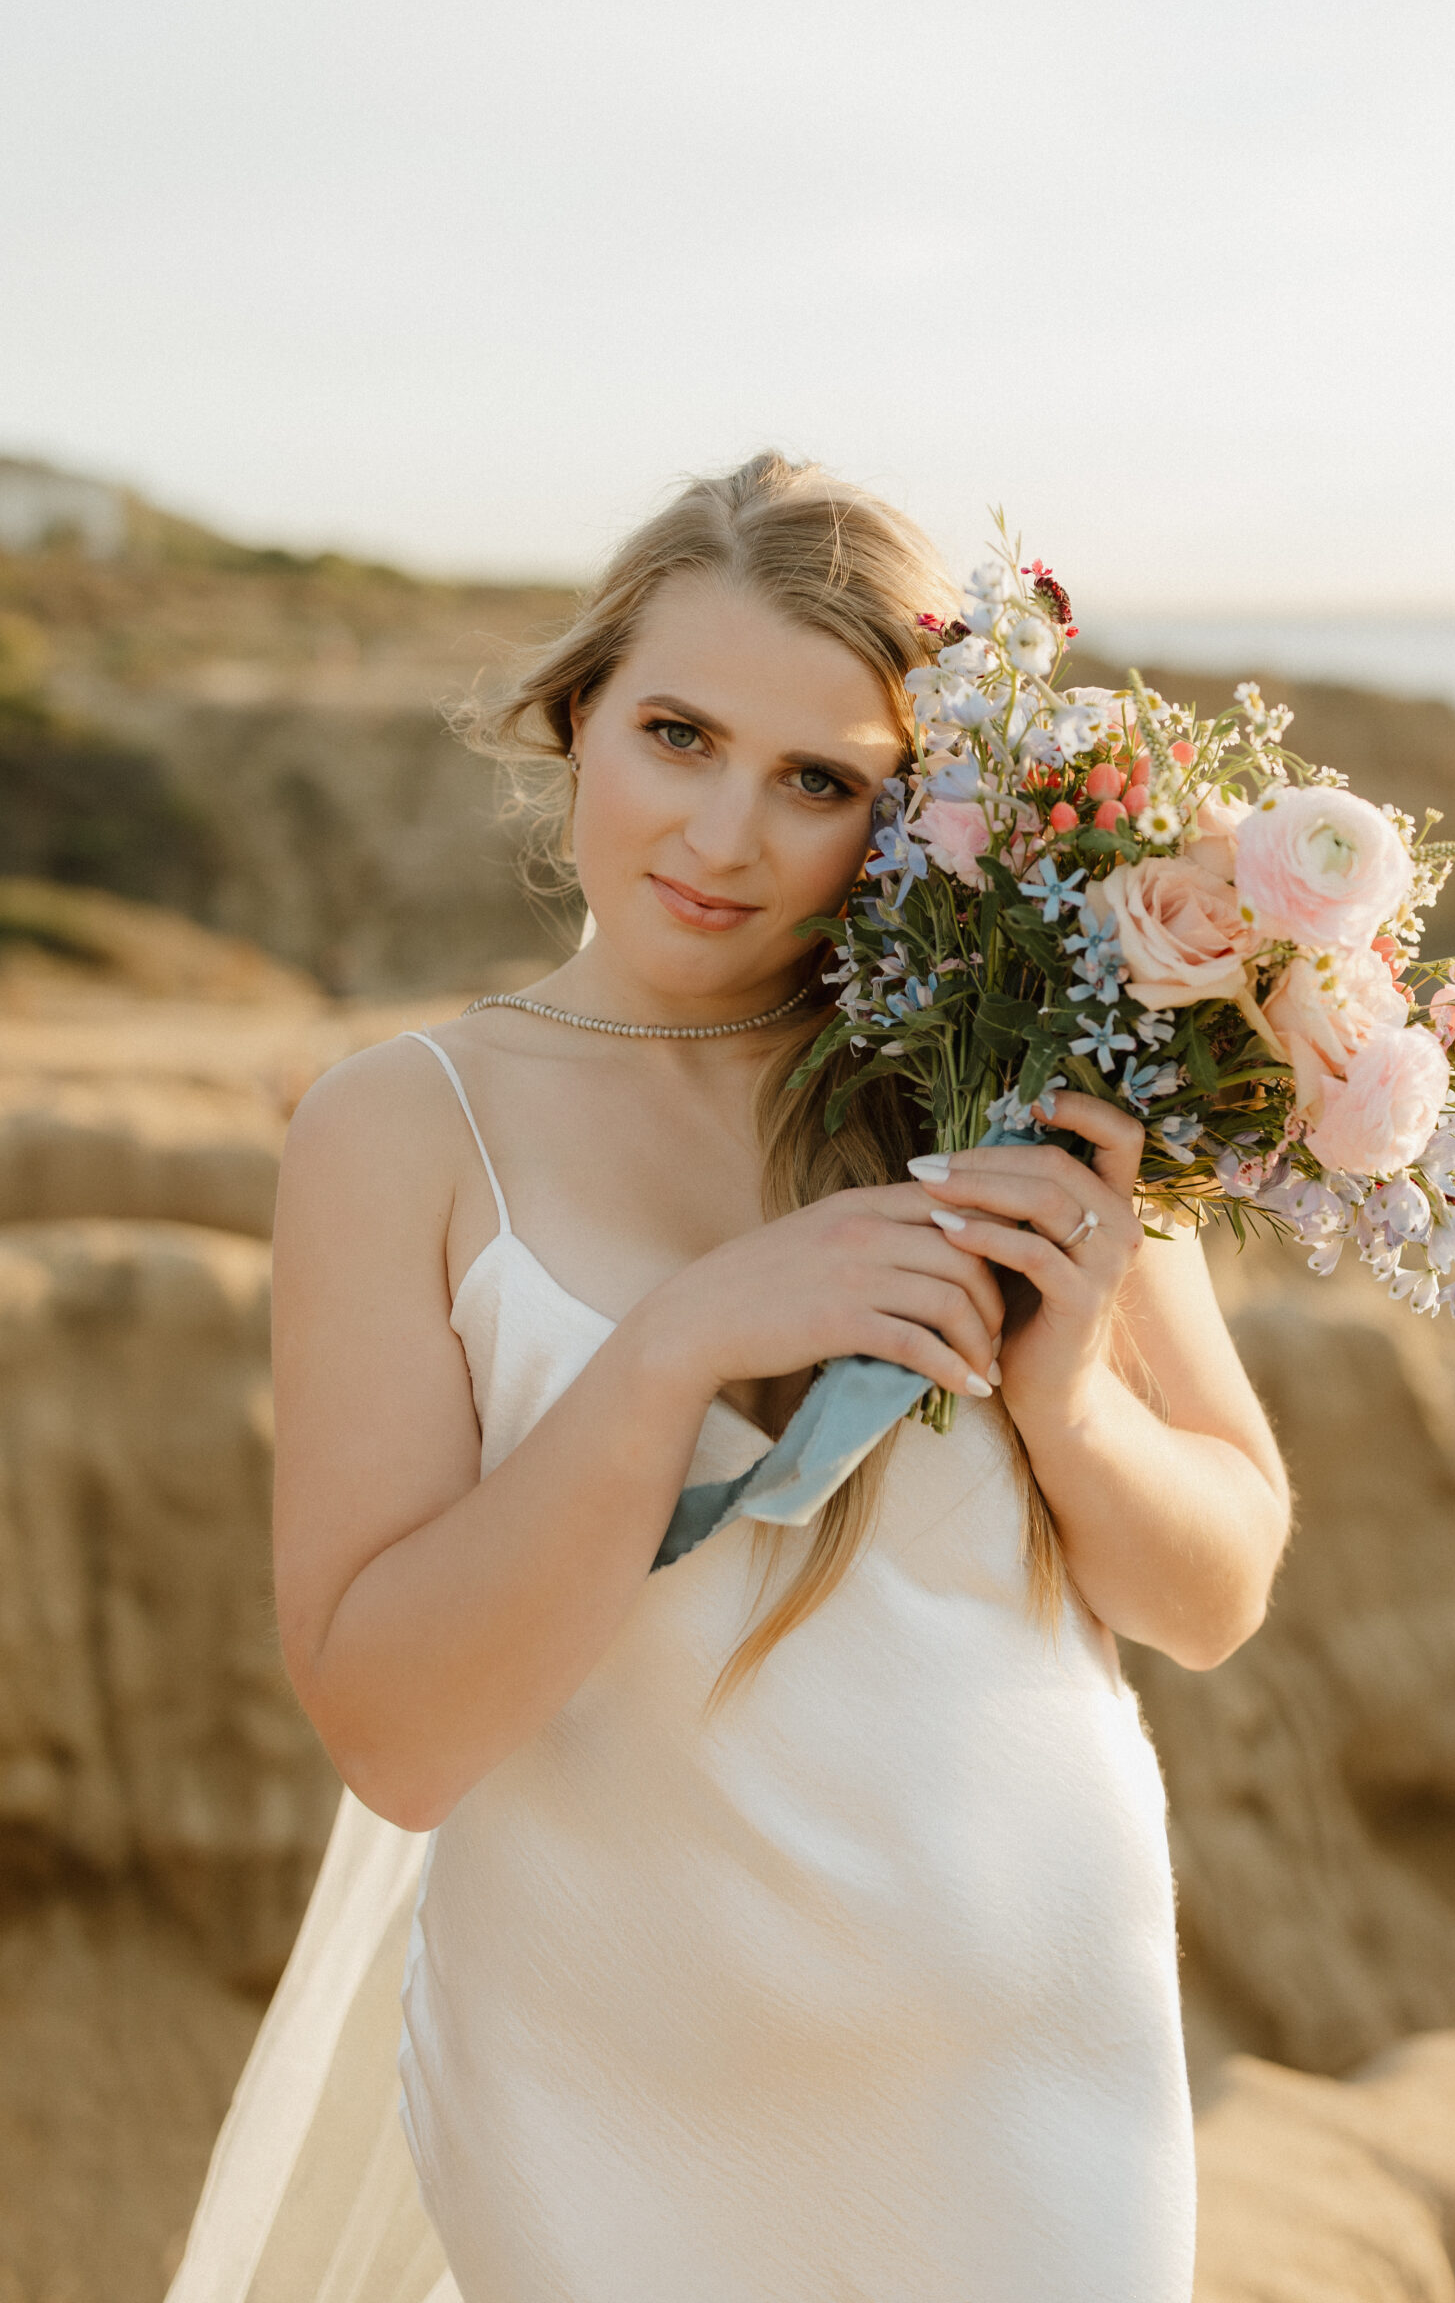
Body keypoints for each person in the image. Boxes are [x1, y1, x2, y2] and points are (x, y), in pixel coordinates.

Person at [169, 453, 1290, 2303]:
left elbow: (1218, 1595)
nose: (726, 835)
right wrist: (681, 1344)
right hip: (614, 2089)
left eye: (822, 780)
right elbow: (396, 1730)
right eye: (679, 733)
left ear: (908, 811)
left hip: (1030, 2078)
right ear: (579, 714)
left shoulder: (1012, 1065)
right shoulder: (400, 1129)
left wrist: (1072, 1396)